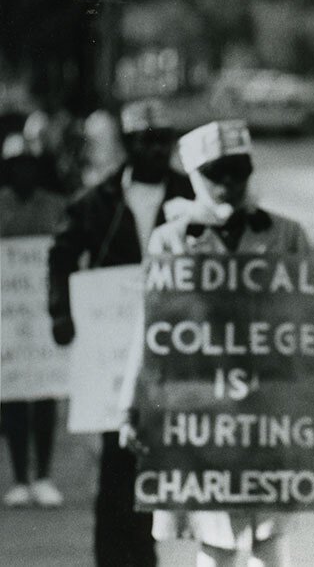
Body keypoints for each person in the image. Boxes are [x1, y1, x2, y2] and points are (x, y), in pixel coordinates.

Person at [118, 119, 314, 567]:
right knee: (216, 536)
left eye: (238, 171)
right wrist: (131, 407)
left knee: (271, 532)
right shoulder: (171, 240)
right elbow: (149, 329)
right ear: (194, 177)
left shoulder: (286, 235)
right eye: (216, 174)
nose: (228, 183)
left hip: (272, 409)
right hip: (201, 411)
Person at [48, 99, 193, 567]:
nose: (155, 150)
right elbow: (61, 254)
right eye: (144, 141)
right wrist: (61, 312)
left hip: (178, 347)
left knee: (166, 454)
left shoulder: (192, 196)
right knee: (117, 456)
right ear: (128, 145)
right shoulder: (98, 201)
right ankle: (115, 554)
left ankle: (148, 547)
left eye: (162, 140)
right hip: (114, 351)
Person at [0, 134, 68, 508]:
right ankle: (19, 478)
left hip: (44, 314)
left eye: (29, 165)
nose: (23, 172)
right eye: (17, 166)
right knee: (12, 395)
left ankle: (43, 475)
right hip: (8, 317)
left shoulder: (56, 206)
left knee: (44, 393)